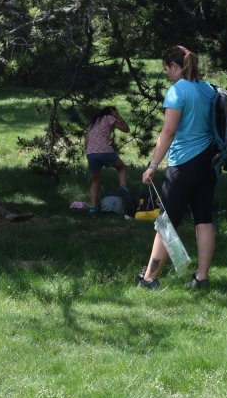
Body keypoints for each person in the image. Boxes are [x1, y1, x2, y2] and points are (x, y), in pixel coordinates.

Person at [136, 46, 217, 290]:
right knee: (203, 220)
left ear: (175, 66)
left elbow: (168, 131)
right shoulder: (207, 89)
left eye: (167, 70)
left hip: (183, 164)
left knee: (166, 221)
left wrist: (152, 165)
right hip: (207, 164)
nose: (167, 75)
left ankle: (149, 280)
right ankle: (201, 278)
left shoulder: (177, 91)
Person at [85, 106, 130, 214]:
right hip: (104, 150)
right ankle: (123, 187)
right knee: (122, 167)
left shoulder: (93, 122)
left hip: (90, 153)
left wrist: (88, 153)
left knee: (95, 180)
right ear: (111, 112)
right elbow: (126, 129)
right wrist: (117, 116)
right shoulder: (109, 118)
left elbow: (86, 140)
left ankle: (93, 208)